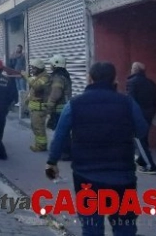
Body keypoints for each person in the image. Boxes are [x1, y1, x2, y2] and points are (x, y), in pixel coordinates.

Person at [46, 62, 148, 236]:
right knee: (125, 226)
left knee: (92, 226)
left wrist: (52, 162)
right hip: (123, 177)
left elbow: (60, 135)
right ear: (114, 79)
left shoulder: (74, 104)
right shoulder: (127, 103)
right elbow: (142, 130)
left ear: (89, 79)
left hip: (86, 176)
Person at [126, 61, 156, 174]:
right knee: (143, 138)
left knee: (139, 139)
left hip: (138, 115)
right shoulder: (151, 83)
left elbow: (131, 101)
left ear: (134, 70)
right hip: (149, 113)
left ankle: (150, 165)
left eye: (132, 68)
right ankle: (141, 160)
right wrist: (152, 112)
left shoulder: (132, 82)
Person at [46, 54, 73, 160]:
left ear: (55, 64)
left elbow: (55, 94)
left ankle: (65, 153)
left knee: (61, 133)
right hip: (64, 108)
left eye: (51, 64)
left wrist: (49, 107)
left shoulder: (58, 78)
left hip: (59, 110)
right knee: (65, 133)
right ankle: (67, 152)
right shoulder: (65, 76)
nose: (50, 66)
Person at [21, 58, 50, 152]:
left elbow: (36, 87)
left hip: (40, 109)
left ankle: (41, 146)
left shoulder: (45, 78)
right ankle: (39, 144)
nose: (32, 70)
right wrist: (28, 99)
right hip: (35, 109)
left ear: (39, 68)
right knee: (35, 127)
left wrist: (26, 77)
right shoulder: (38, 77)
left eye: (34, 68)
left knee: (39, 128)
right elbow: (33, 90)